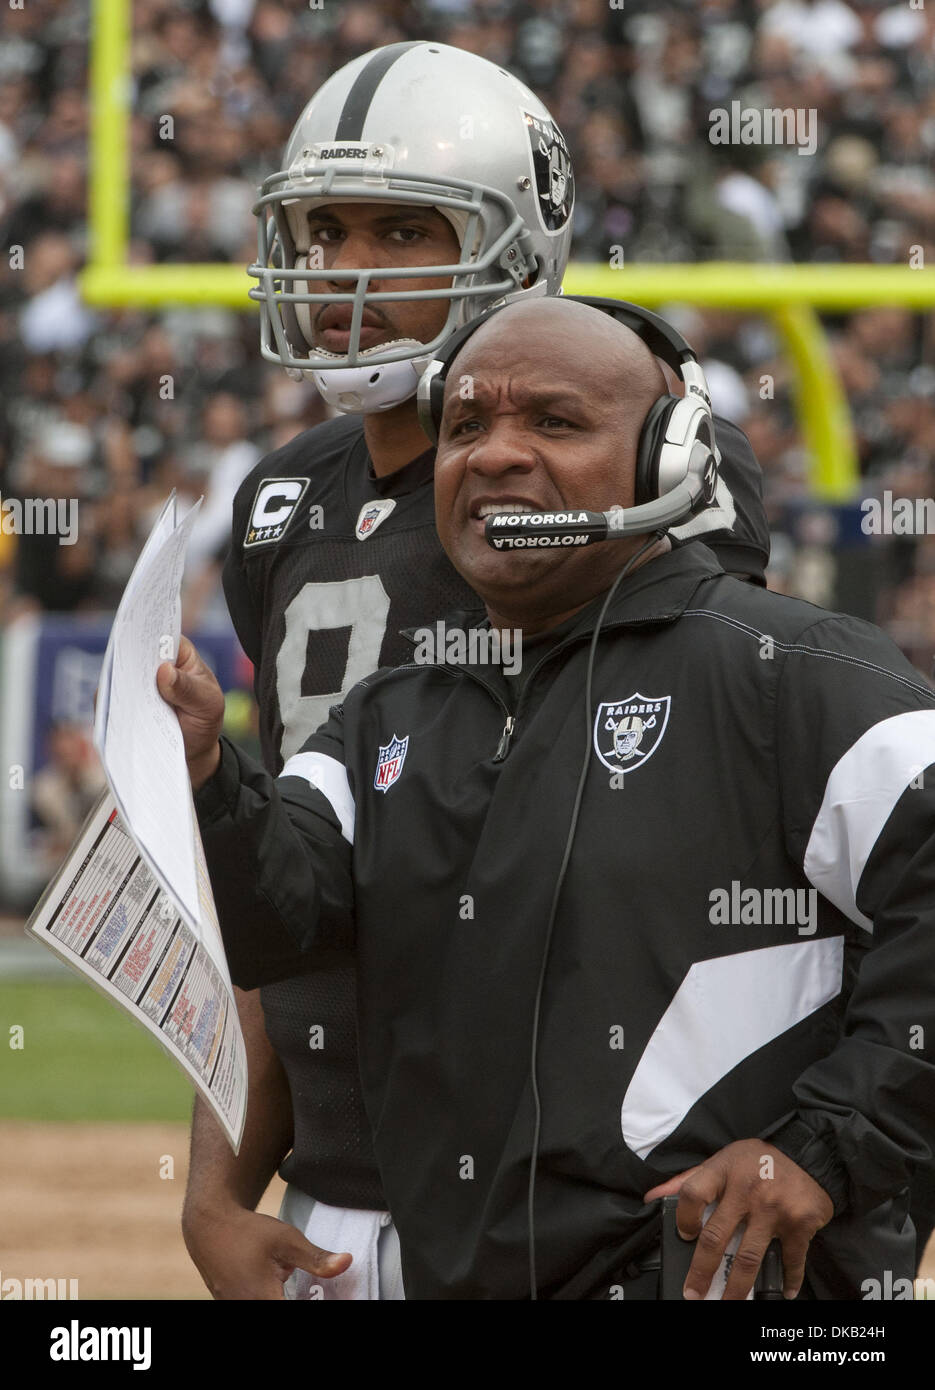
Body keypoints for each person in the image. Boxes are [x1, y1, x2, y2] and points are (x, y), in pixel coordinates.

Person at [163, 297, 935, 1299]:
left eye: (553, 423)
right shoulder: (384, 716)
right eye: (466, 426)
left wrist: (828, 1150)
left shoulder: (797, 676)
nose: (491, 456)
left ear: (666, 457)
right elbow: (278, 924)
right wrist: (207, 776)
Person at [181, 41, 770, 1302]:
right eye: (323, 229)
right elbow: (278, 884)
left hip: (574, 1191)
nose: (346, 270)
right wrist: (217, 1186)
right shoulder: (285, 498)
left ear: (519, 244)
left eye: (402, 228)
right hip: (342, 1184)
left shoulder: (633, 481)